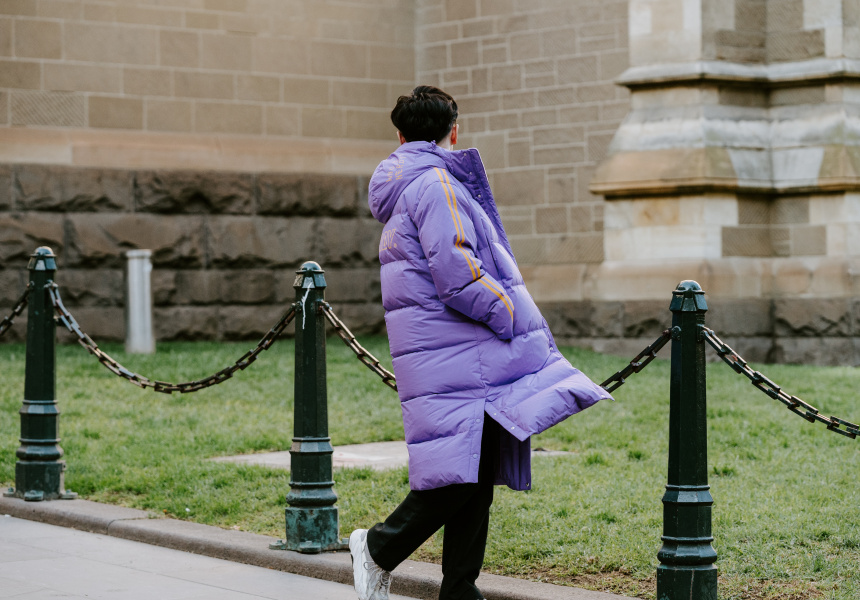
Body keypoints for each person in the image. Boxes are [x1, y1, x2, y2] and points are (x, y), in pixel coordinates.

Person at [349, 85, 611, 600]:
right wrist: (508, 310)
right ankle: (377, 547)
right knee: (458, 478)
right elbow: (459, 274)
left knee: (473, 471)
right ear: (454, 131)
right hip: (463, 353)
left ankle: (460, 590)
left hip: (445, 351)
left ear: (400, 136)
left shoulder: (412, 185)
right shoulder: (435, 184)